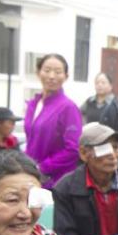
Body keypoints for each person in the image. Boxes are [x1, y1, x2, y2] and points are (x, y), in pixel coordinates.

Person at [24, 54, 82, 189]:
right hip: (32, 177)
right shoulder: (34, 104)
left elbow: (73, 149)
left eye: (58, 72)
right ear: (38, 73)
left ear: (66, 76)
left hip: (55, 181)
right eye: (47, 70)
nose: (51, 76)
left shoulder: (68, 107)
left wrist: (43, 167)